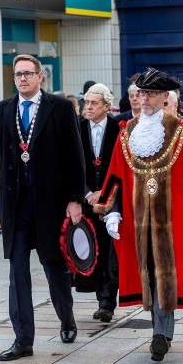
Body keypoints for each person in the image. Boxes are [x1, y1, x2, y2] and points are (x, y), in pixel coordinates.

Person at [93, 67, 183, 362]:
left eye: (150, 93)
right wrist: (112, 210)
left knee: (168, 273)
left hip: (172, 218)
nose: (144, 99)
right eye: (142, 93)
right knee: (146, 271)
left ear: (164, 97)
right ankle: (158, 331)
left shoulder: (181, 131)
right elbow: (116, 174)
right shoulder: (128, 131)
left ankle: (161, 334)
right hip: (136, 218)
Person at [0, 54, 86, 361]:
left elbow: (75, 155)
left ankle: (66, 318)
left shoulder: (59, 108)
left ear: (40, 76)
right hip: (15, 204)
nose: (22, 79)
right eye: (18, 74)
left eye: (28, 74)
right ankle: (23, 339)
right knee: (17, 271)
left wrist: (75, 199)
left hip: (50, 203)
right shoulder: (3, 110)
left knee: (53, 266)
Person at [78, 83, 120, 322]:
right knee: (91, 249)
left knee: (110, 251)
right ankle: (99, 295)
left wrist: (104, 193)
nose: (89, 107)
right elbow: (71, 166)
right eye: (87, 102)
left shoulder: (119, 129)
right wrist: (86, 193)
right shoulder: (77, 128)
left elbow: (122, 167)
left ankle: (107, 301)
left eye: (94, 103)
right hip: (85, 201)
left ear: (107, 106)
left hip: (111, 201)